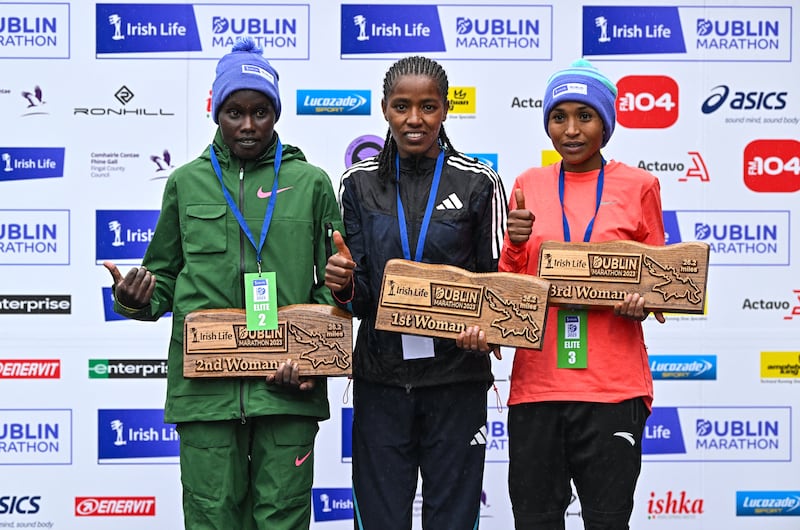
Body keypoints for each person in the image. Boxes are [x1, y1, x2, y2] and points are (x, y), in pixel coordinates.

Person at [103, 38, 344, 530]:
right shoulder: (186, 182)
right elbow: (164, 276)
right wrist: (133, 300)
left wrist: (309, 358)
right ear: (216, 112)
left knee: (283, 518)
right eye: (235, 111)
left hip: (286, 389)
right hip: (205, 395)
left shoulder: (312, 183)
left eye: (261, 111)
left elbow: (334, 288)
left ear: (275, 113)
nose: (249, 125)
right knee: (211, 519)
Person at [323, 56, 508, 529]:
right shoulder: (358, 183)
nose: (415, 119)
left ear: (446, 110)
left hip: (456, 382)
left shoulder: (478, 182)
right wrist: (344, 286)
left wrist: (486, 331)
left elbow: (497, 283)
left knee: (453, 519)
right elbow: (360, 298)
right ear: (384, 109)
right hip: (381, 381)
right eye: (402, 106)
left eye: (428, 106)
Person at [499, 58, 667, 530]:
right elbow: (508, 284)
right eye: (559, 116)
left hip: (613, 389)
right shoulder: (527, 184)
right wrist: (513, 243)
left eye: (585, 116)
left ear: (606, 122)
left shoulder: (640, 186)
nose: (571, 130)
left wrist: (643, 301)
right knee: (535, 521)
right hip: (538, 387)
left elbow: (661, 281)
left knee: (608, 522)